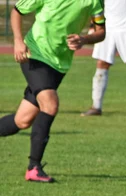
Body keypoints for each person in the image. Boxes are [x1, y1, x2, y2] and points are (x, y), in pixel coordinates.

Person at [0, 0, 106, 183]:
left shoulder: (94, 1)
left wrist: (84, 39)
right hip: (34, 53)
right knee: (50, 104)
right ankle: (34, 168)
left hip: (59, 64)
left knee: (22, 120)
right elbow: (16, 11)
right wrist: (17, 41)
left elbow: (101, 31)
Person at [81, 0, 126, 119]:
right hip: (108, 27)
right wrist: (93, 24)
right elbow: (98, 4)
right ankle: (96, 106)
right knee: (102, 64)